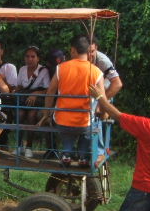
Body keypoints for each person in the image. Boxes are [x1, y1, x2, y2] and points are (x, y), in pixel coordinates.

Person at [43, 35, 104, 165]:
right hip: (85, 122)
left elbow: (50, 92)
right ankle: (83, 156)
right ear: (89, 51)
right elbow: (102, 99)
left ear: (73, 50)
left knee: (67, 135)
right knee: (88, 131)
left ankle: (67, 153)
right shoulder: (96, 72)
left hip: (62, 120)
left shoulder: (61, 68)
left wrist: (46, 113)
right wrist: (104, 114)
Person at [14, 45, 50, 158]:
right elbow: (19, 85)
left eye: (33, 56)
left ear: (38, 58)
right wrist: (16, 90)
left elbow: (48, 89)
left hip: (37, 102)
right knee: (19, 114)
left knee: (32, 115)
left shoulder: (43, 71)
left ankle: (29, 147)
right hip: (24, 100)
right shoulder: (22, 69)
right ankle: (18, 146)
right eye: (27, 56)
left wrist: (36, 94)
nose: (30, 59)